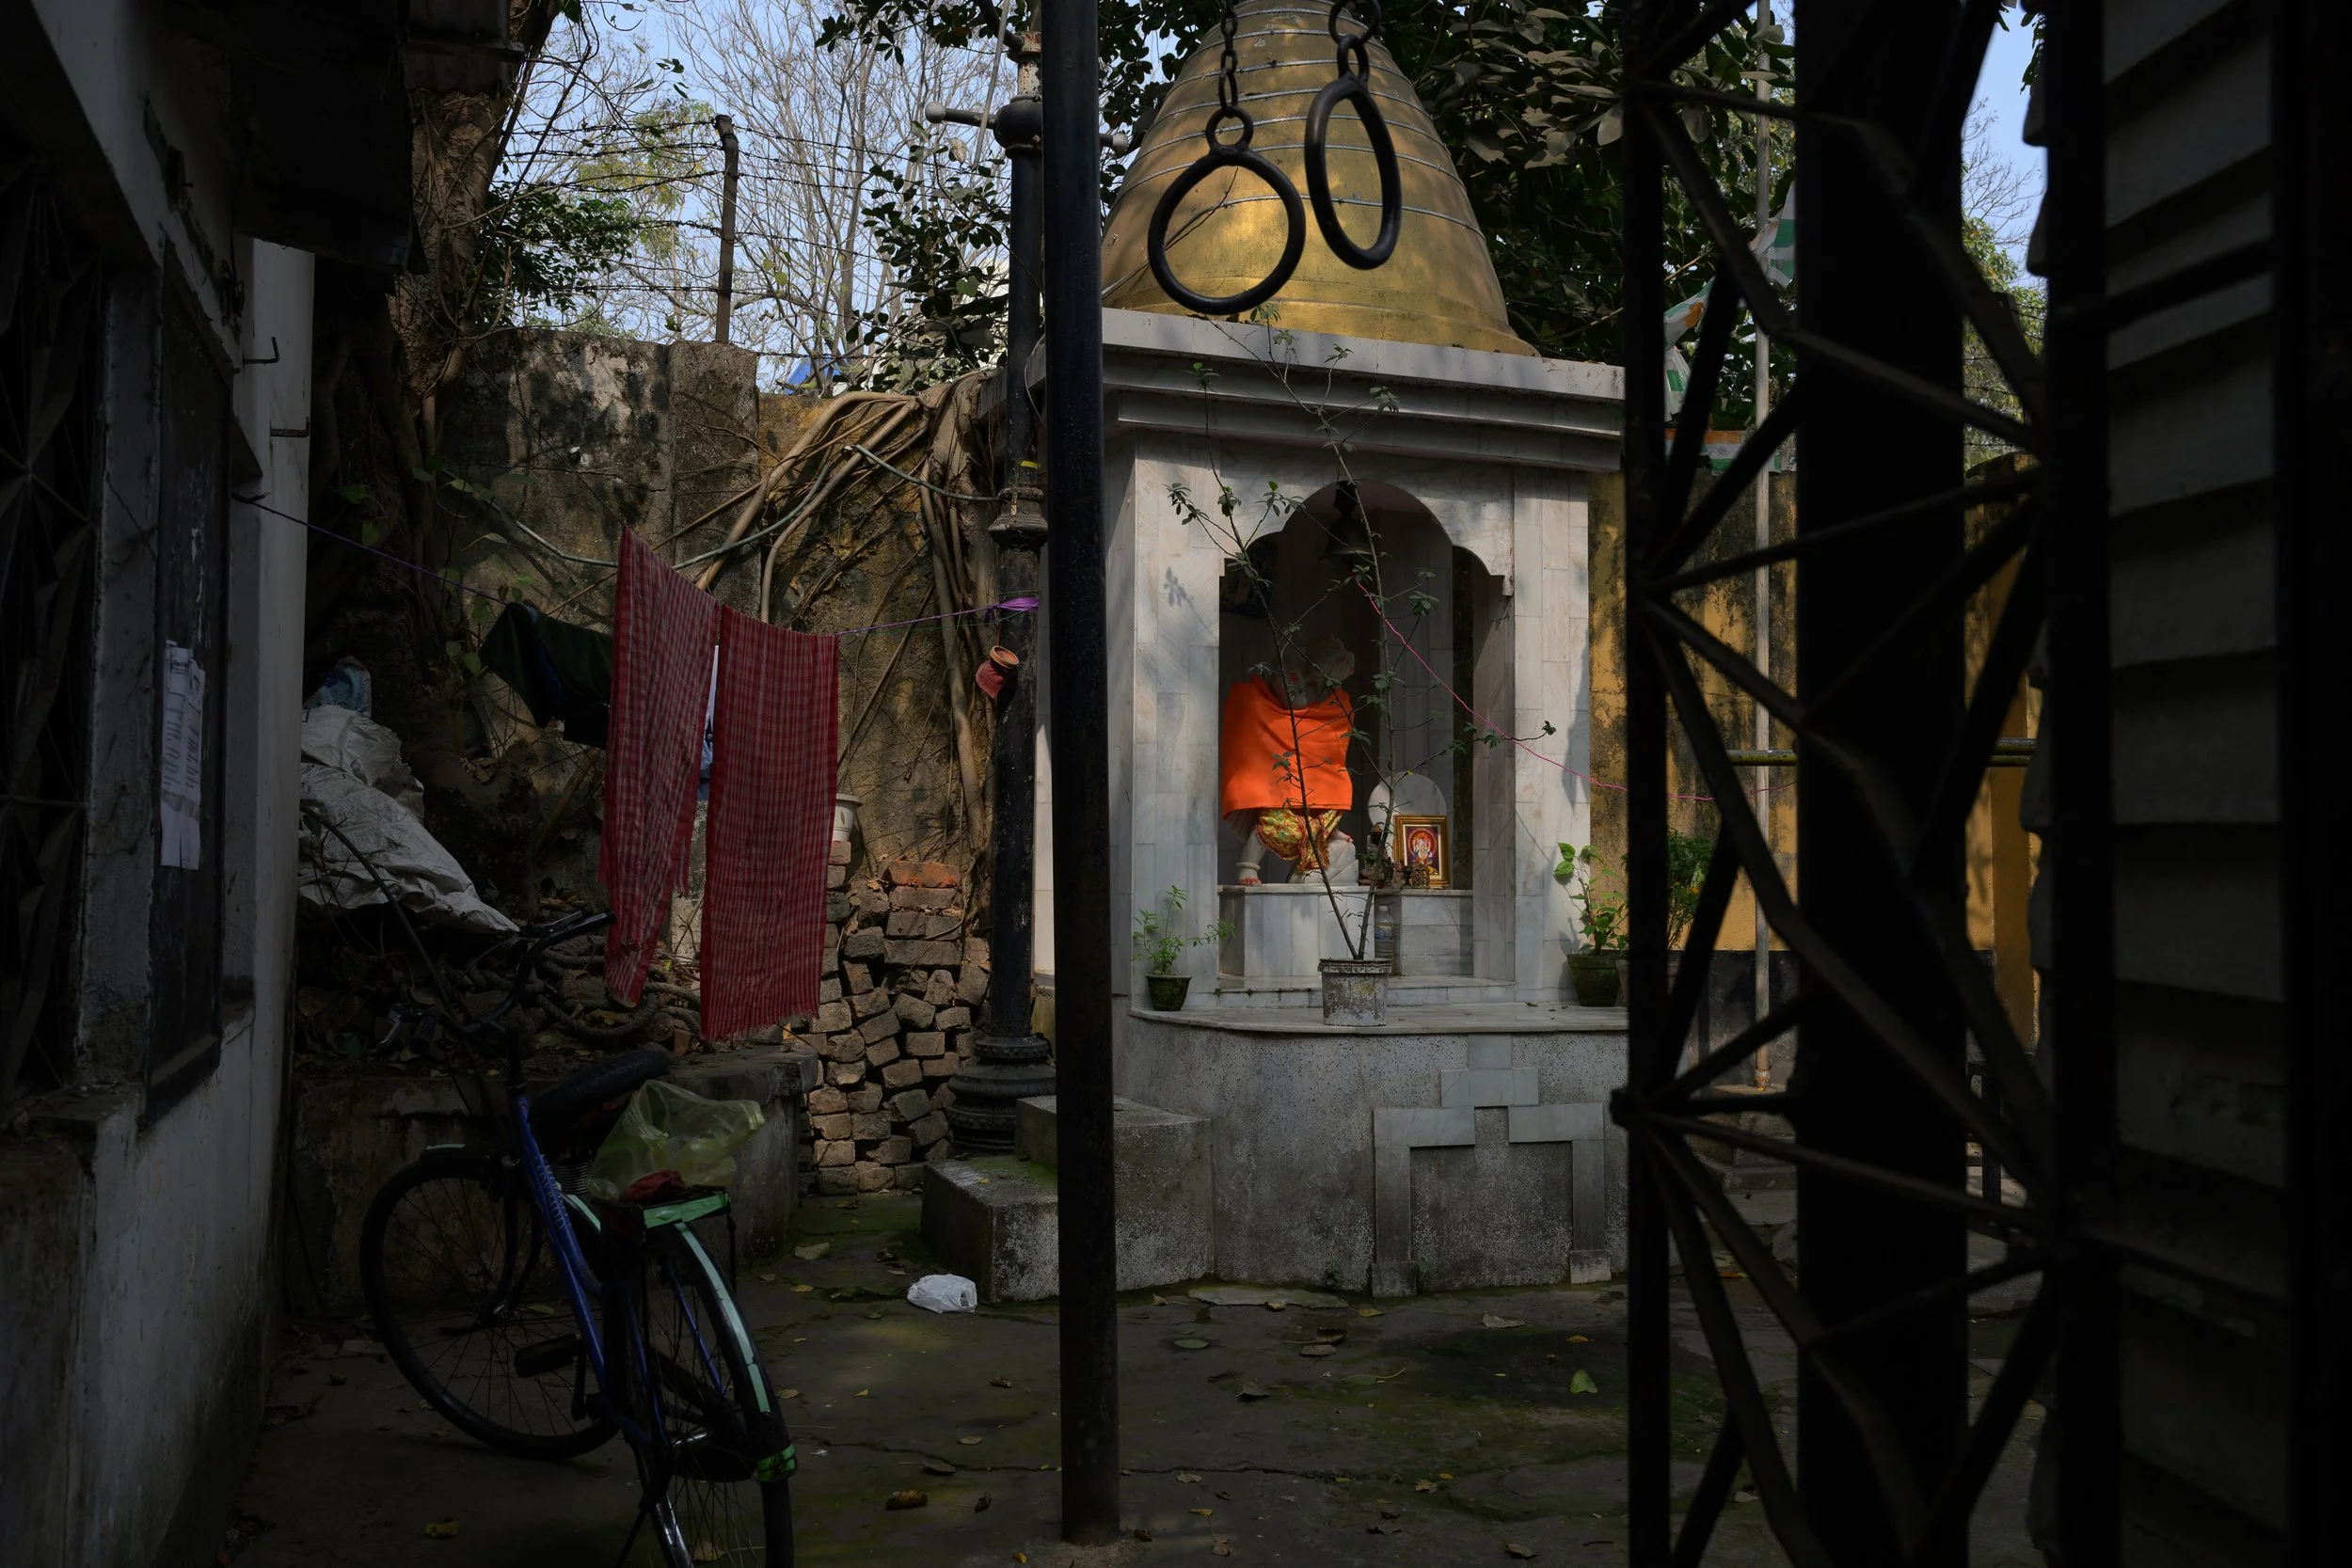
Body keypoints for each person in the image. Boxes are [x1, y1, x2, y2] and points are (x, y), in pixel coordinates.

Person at [1218, 634, 1357, 884]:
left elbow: (1335, 719)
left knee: (1333, 793)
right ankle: (1248, 866)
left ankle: (1329, 832)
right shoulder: (1289, 673)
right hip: (1287, 746)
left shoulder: (1330, 690)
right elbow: (1296, 705)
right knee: (1275, 816)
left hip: (1320, 756)